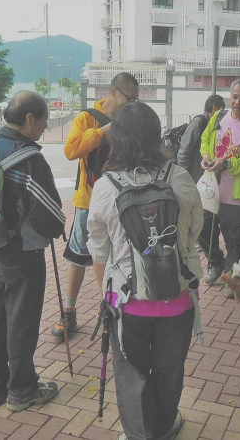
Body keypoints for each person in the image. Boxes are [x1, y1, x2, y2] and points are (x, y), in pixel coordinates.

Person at [87, 102, 204, 440]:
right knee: (170, 369)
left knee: (132, 373)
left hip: (126, 299)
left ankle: (140, 434)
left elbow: (98, 249)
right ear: (156, 136)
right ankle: (165, 427)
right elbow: (194, 231)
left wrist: (106, 293)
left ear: (116, 139)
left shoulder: (105, 186)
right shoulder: (179, 177)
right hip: (177, 295)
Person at [0, 92, 66, 411]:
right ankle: (22, 390)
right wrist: (58, 228)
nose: (46, 127)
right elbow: (49, 211)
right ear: (30, 119)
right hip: (22, 250)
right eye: (44, 120)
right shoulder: (29, 158)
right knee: (21, 319)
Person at [53, 72, 140, 338]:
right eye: (130, 98)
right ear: (113, 92)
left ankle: (112, 309)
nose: (133, 104)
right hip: (88, 201)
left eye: (136, 100)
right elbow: (71, 151)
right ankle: (68, 312)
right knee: (79, 257)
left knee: (118, 257)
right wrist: (102, 131)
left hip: (122, 200)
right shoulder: (87, 117)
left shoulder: (131, 120)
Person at [199, 79, 240, 298]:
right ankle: (216, 262)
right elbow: (206, 138)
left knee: (234, 238)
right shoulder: (219, 117)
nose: (238, 102)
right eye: (235, 96)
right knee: (203, 229)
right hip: (211, 188)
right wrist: (207, 155)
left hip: (236, 194)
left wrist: (227, 163)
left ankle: (233, 276)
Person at [177, 95, 226, 275]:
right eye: (220, 109)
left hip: (212, 181)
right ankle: (214, 259)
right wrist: (183, 178)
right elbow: (184, 150)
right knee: (202, 223)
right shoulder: (199, 123)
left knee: (213, 221)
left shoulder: (217, 125)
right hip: (197, 181)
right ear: (213, 108)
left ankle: (219, 261)